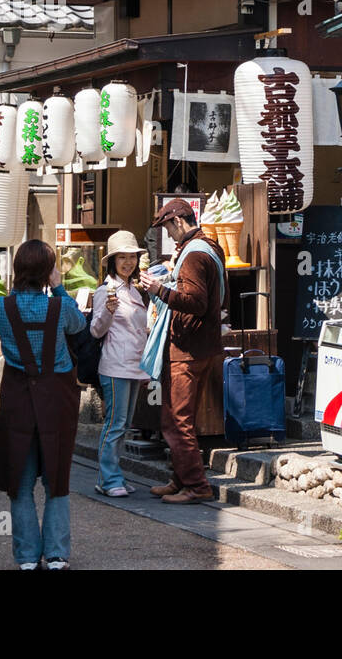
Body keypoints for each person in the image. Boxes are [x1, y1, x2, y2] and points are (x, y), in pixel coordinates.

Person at [0, 241, 87, 570]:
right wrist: (58, 288)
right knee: (56, 478)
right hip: (56, 398)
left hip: (18, 400)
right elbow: (79, 326)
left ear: (16, 270)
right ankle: (57, 555)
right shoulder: (59, 309)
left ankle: (27, 558)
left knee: (20, 479)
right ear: (49, 271)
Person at [139, 198, 226, 505]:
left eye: (166, 227)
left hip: (187, 348)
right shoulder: (211, 247)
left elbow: (195, 302)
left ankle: (197, 486)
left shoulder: (193, 256)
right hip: (201, 345)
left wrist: (159, 290)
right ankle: (180, 479)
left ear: (177, 222)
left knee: (177, 420)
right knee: (176, 417)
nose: (168, 234)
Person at [89, 231, 150, 498]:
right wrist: (108, 310)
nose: (128, 262)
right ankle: (107, 478)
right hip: (115, 366)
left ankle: (114, 475)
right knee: (115, 424)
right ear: (112, 261)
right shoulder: (106, 291)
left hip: (133, 366)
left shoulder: (133, 290)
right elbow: (95, 331)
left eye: (132, 257)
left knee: (123, 425)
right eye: (122, 257)